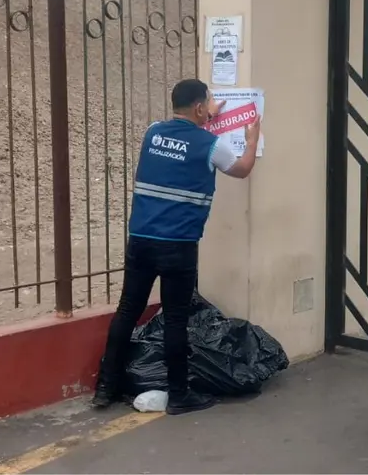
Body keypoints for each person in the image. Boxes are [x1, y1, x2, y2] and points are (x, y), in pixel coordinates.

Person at [91, 78, 261, 415]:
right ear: (200, 107)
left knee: (127, 310)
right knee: (175, 321)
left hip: (140, 239)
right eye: (208, 104)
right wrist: (252, 140)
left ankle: (105, 388)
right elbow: (241, 169)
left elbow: (179, 144)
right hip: (178, 247)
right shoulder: (210, 145)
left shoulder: (153, 132)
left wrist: (205, 119)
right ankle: (180, 394)